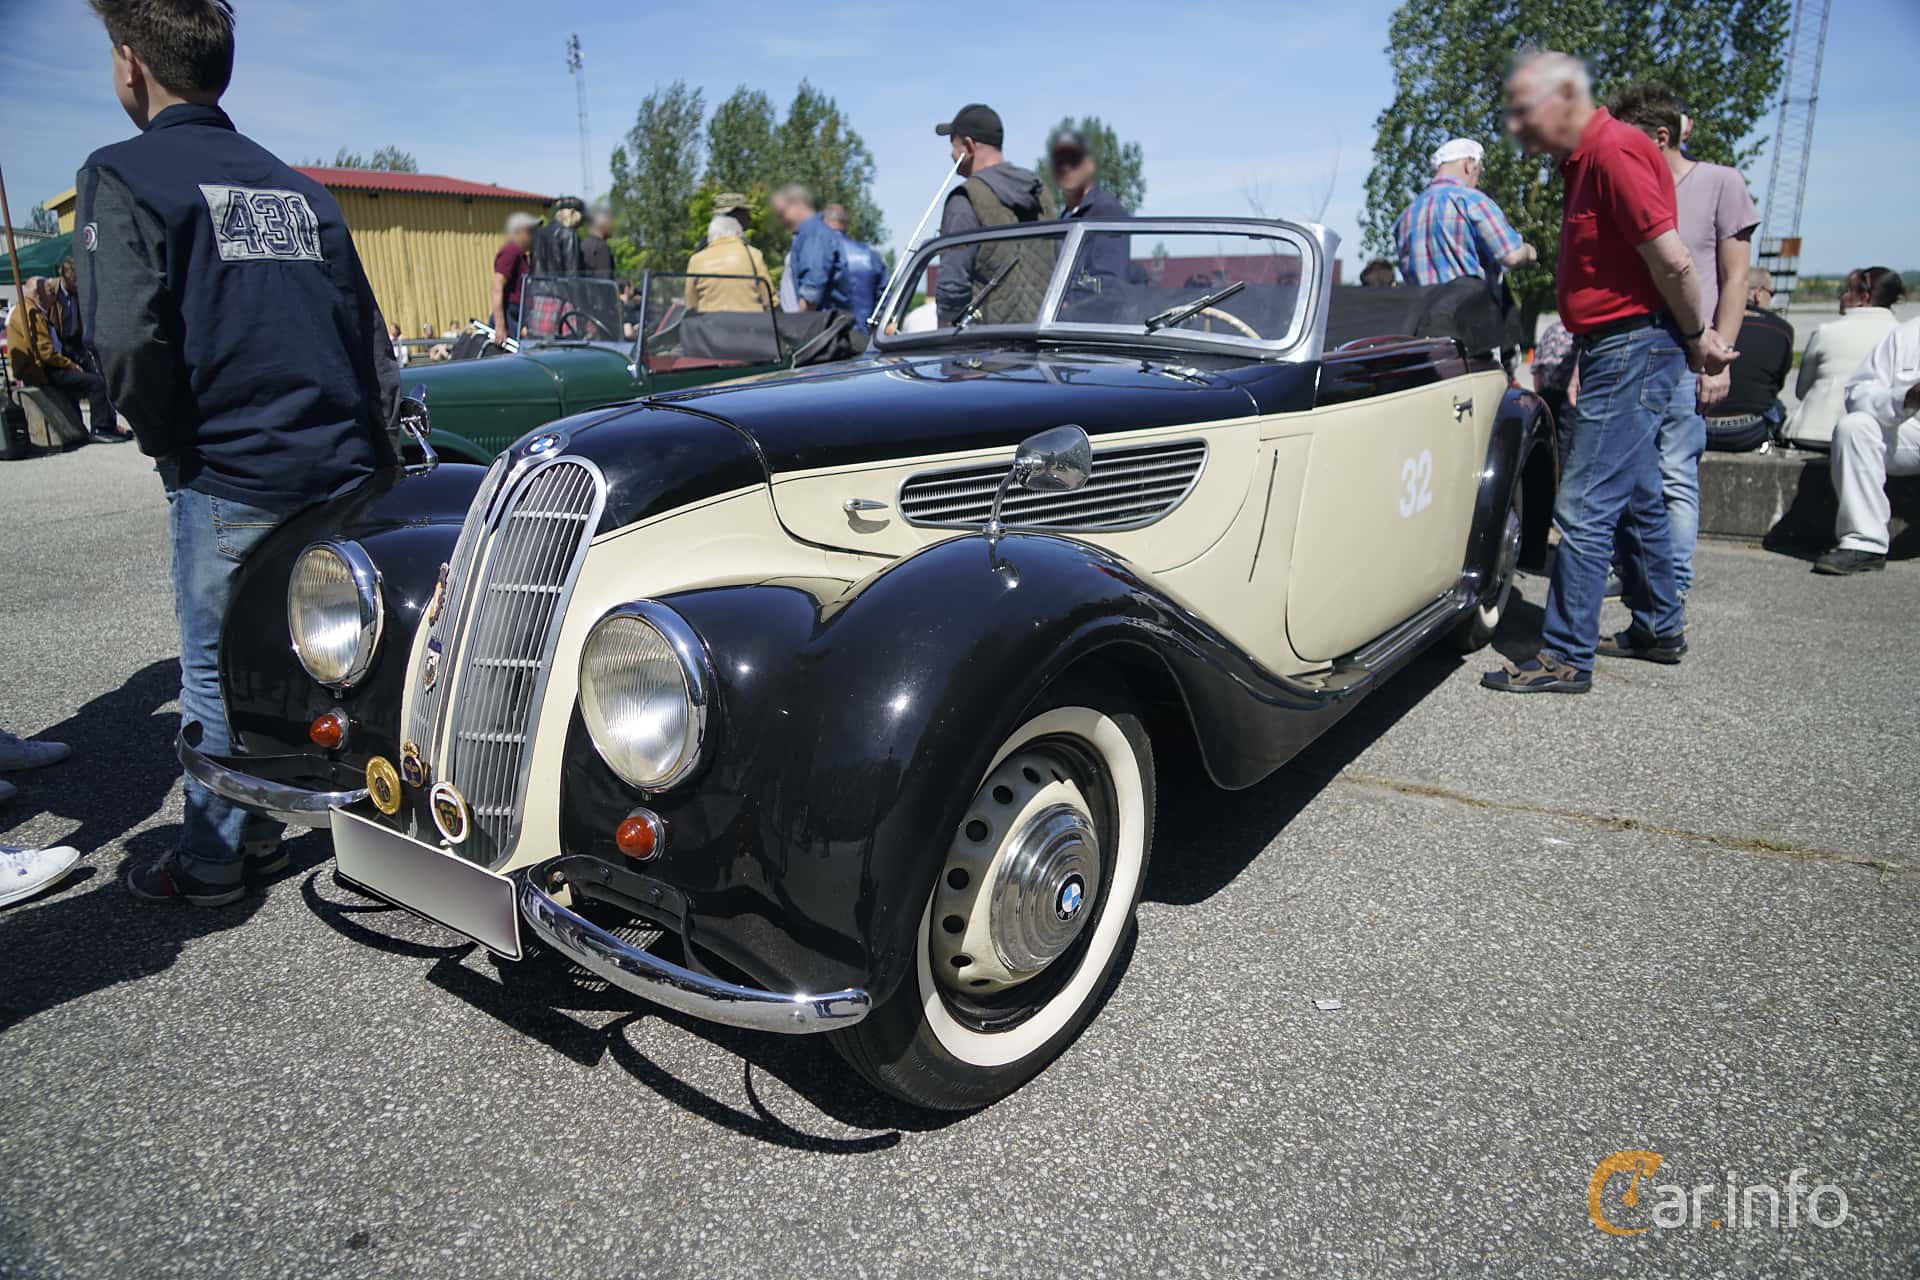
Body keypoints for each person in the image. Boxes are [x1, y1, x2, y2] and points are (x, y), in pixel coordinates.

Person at [76, 0, 400, 905]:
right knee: (309, 651)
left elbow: (128, 341)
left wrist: (168, 441)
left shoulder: (126, 176)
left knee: (216, 668)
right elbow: (367, 339)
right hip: (335, 469)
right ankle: (276, 820)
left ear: (130, 66)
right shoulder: (297, 190)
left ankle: (216, 859)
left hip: (229, 471)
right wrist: (373, 461)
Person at [1483, 51, 1735, 694]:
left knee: (1586, 501)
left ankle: (1566, 655)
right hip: (1623, 344)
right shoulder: (1589, 159)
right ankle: (1658, 626)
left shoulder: (1614, 152)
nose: (1520, 131)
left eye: (1526, 114)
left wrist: (1692, 338)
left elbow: (1675, 263)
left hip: (1632, 345)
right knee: (1641, 499)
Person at [1606, 82, 1758, 597]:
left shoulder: (1720, 183)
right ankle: (1640, 582)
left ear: (1663, 136)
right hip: (1627, 351)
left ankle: (1670, 594)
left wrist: (1720, 357)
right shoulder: (1628, 189)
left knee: (1674, 473)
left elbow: (1736, 277)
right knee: (1627, 474)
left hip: (1689, 354)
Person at [933, 102, 1054, 327]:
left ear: (968, 146)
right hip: (1041, 344)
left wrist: (945, 344)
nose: (951, 154)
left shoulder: (966, 198)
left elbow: (952, 289)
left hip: (986, 351)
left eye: (953, 145)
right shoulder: (1041, 193)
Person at [1816, 315, 1920, 575]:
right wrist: (1907, 397)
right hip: (1912, 433)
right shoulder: (1906, 335)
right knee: (1854, 427)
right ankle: (1865, 543)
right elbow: (1859, 393)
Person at [1392, 137, 1536, 294]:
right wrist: (1528, 251)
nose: (1478, 181)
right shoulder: (1471, 200)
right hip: (1469, 311)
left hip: (1422, 314)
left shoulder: (1406, 216)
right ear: (1469, 165)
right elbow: (1512, 256)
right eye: (1479, 171)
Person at [1785, 267, 1902, 449]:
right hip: (1875, 437)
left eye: (1847, 290)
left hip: (1815, 432)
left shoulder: (1826, 332)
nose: (1841, 296)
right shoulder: (1901, 336)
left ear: (1864, 297)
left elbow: (1801, 391)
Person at [6, 277, 120, 440]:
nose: (54, 295)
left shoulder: (37, 311)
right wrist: (69, 365)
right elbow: (45, 351)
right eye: (50, 291)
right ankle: (101, 429)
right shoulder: (27, 312)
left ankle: (97, 427)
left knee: (90, 378)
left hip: (50, 366)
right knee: (95, 383)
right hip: (41, 370)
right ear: (39, 293)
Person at [1706, 268, 1794, 450]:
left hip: (1702, 426)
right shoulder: (1781, 330)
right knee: (1778, 407)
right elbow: (1778, 383)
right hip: (1748, 430)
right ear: (1757, 293)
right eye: (1771, 293)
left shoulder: (1709, 326)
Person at [1049, 128, 1129, 301]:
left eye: (1073, 160)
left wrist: (1066, 304)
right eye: (1059, 162)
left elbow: (1109, 286)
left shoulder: (1106, 212)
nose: (1065, 167)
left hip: (1087, 322)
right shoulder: (1065, 217)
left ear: (1089, 165)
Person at [772, 184, 841, 315]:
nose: (781, 221)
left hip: (807, 327)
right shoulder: (806, 234)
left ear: (797, 205)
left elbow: (812, 293)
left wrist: (799, 324)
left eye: (782, 214)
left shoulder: (813, 234)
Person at [684, 214, 773, 311]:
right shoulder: (753, 254)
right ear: (738, 233)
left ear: (711, 236)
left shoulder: (696, 260)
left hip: (710, 323)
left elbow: (691, 304)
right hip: (750, 323)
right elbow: (769, 300)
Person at [823, 202, 888, 332]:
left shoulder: (819, 255)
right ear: (846, 225)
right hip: (865, 338)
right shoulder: (870, 255)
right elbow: (885, 298)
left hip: (828, 338)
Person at [492, 211, 536, 340]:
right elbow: (497, 287)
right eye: (530, 232)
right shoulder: (511, 252)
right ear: (519, 233)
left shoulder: (522, 255)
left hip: (519, 313)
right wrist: (500, 326)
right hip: (509, 313)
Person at [580, 206, 614, 278]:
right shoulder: (601, 247)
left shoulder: (583, 244)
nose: (612, 226)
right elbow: (606, 280)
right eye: (610, 223)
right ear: (601, 224)